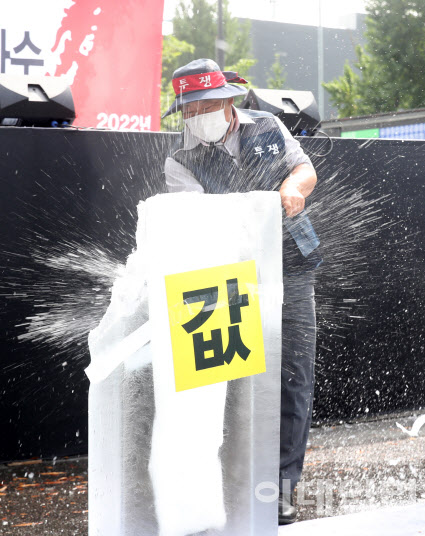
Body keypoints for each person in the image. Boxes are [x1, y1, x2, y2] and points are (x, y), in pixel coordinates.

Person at [162, 58, 322, 524]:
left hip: (292, 265)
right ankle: (230, 484)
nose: (201, 116)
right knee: (236, 384)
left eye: (209, 104)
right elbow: (198, 224)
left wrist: (294, 188)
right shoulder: (181, 160)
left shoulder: (269, 126)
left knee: (293, 377)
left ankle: (282, 488)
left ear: (228, 100)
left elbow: (303, 168)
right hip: (231, 279)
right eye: (192, 110)